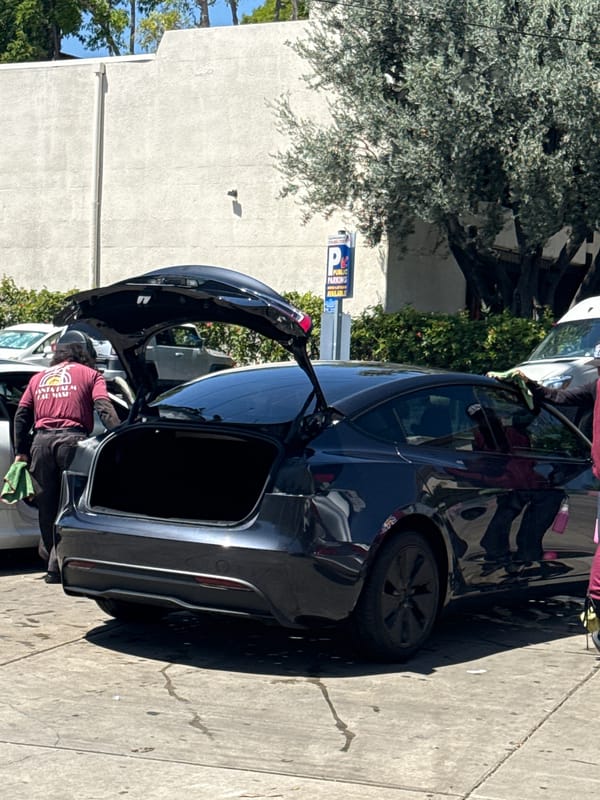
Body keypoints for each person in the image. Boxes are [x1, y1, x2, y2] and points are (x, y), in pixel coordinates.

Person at [494, 344, 600, 650]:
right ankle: (595, 607)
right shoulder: (596, 387)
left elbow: (559, 398)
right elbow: (558, 397)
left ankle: (595, 607)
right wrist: (527, 384)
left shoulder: (596, 386)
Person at [13, 330, 121, 583]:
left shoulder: (38, 378)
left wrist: (21, 452)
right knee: (70, 504)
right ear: (86, 354)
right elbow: (104, 407)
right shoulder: (91, 375)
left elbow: (21, 415)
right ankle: (59, 564)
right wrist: (120, 437)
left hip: (40, 443)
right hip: (72, 443)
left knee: (46, 506)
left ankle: (50, 562)